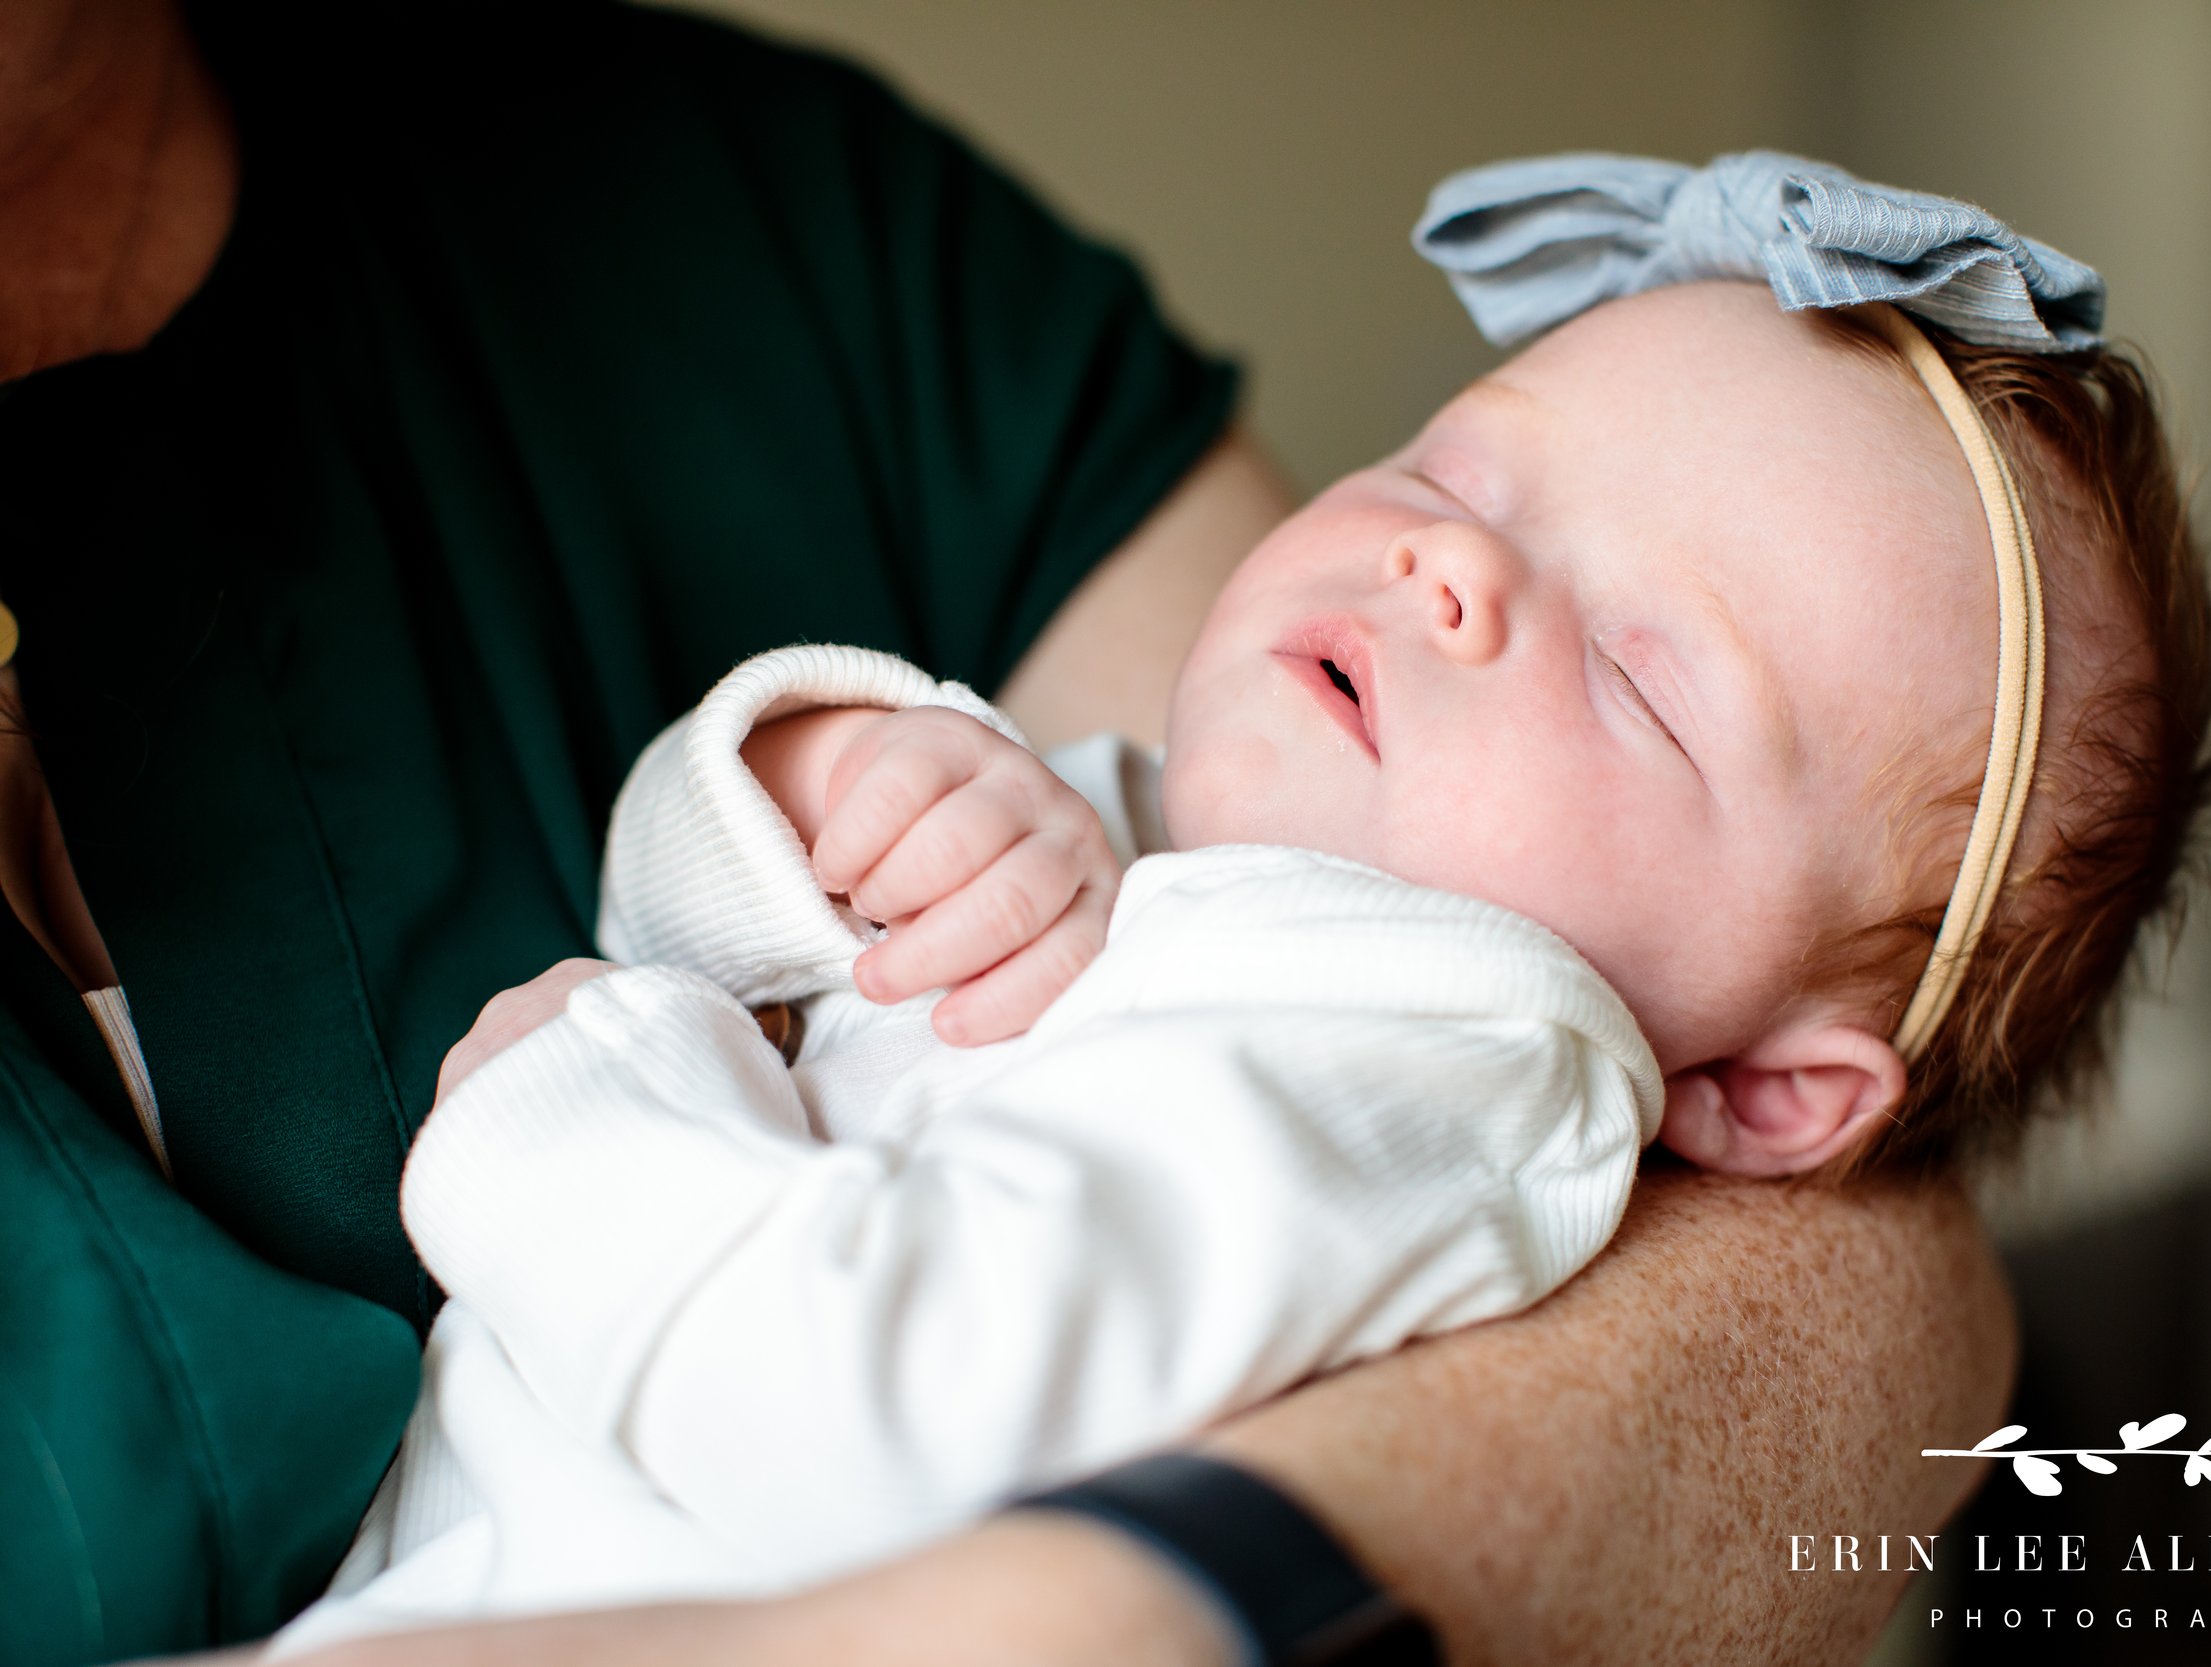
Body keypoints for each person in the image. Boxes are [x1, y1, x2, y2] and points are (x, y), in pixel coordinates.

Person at [0, 4, 2019, 1664]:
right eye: (1450, 471)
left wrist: (580, 1110)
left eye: (1647, 680)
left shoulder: (1434, 1047)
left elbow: (874, 1430)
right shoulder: (1195, 856)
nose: (1444, 572)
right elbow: (683, 939)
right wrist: (804, 795)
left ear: (1760, 1098)